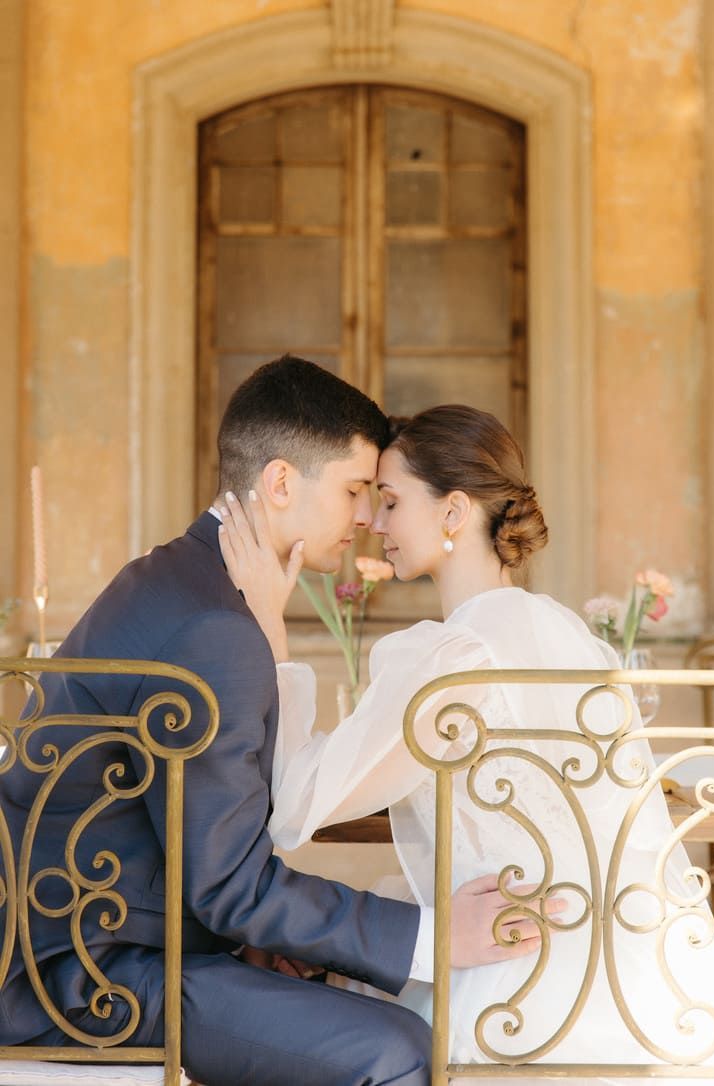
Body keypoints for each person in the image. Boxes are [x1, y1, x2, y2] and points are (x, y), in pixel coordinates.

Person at [0, 358, 549, 1086]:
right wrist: (431, 936)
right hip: (86, 976)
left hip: (115, 935)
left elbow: (201, 853)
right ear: (282, 483)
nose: (366, 517)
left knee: (359, 994)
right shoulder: (216, 628)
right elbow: (228, 883)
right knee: (401, 1048)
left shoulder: (181, 578)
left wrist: (260, 944)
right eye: (356, 490)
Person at [218, 403, 714, 1083]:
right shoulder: (564, 631)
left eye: (392, 501)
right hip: (640, 982)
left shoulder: (449, 655)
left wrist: (268, 629)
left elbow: (299, 802)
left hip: (515, 993)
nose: (374, 524)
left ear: (453, 511)